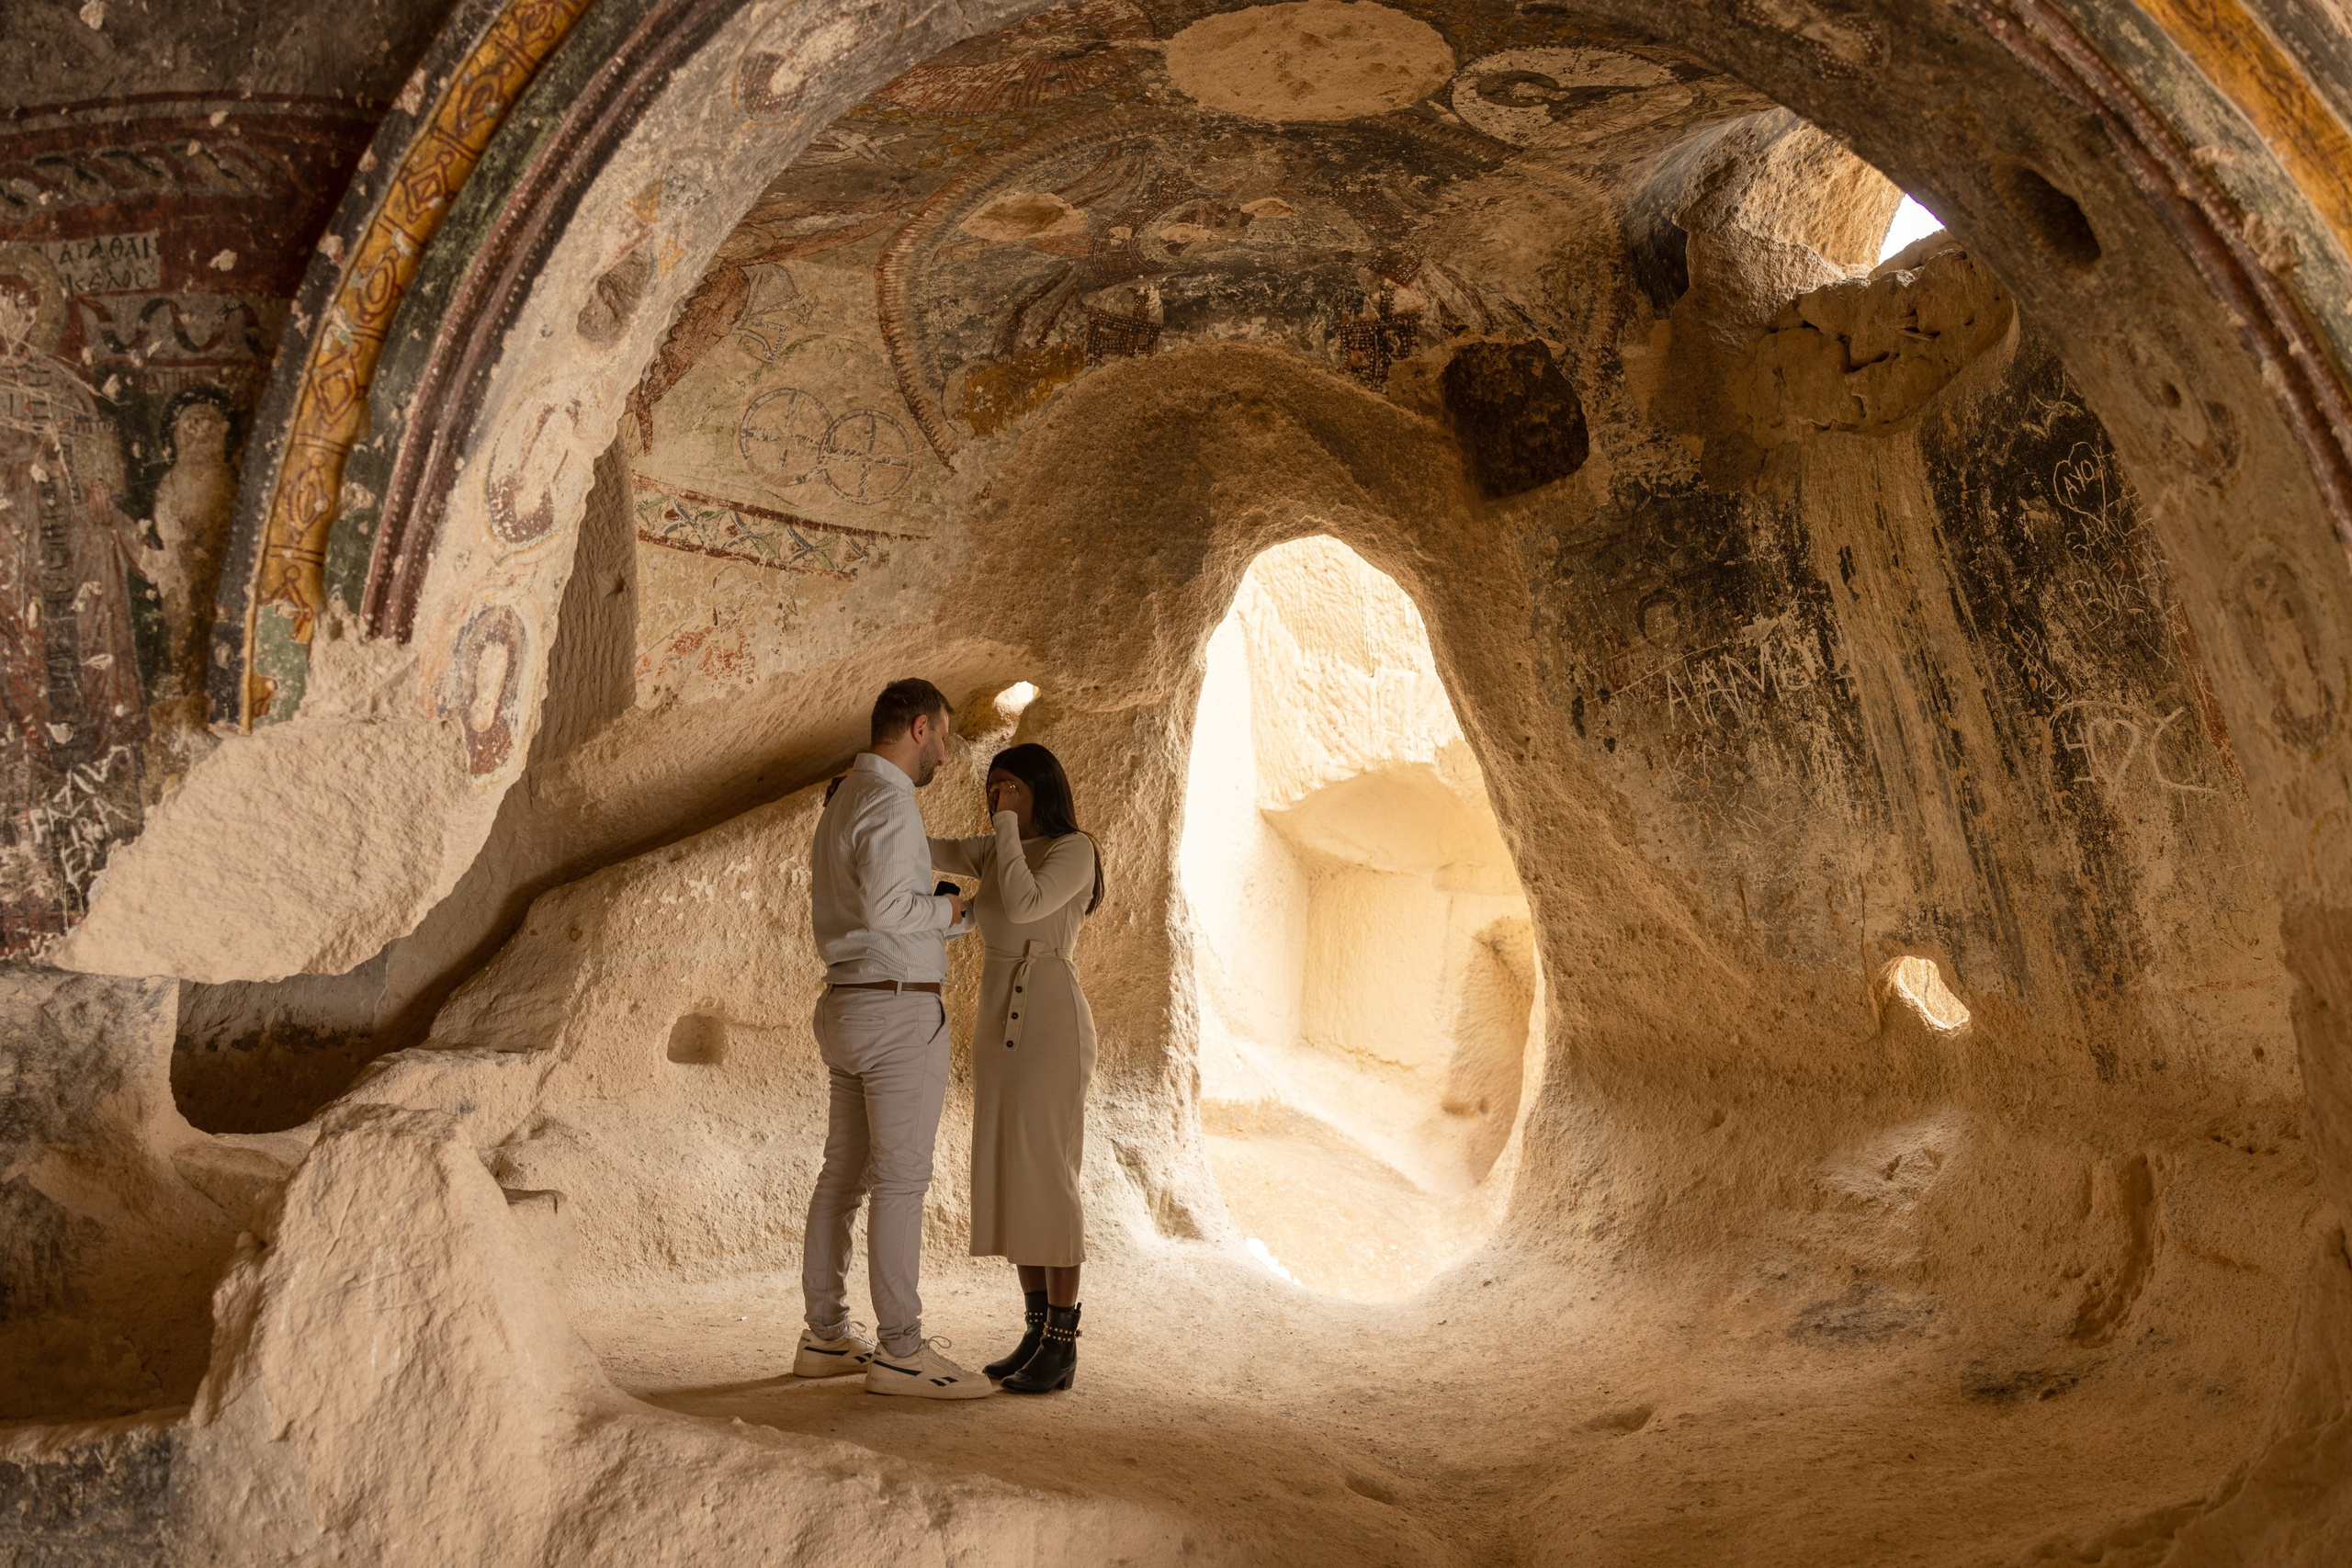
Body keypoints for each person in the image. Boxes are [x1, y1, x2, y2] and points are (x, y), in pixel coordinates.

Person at [794, 678, 992, 1399]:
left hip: (848, 1002)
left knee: (842, 1175)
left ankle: (825, 1334)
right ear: (918, 727)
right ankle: (902, 1349)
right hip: (895, 1009)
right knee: (900, 1181)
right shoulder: (890, 800)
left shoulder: (845, 796)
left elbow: (870, 902)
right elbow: (887, 906)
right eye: (943, 734)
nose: (945, 749)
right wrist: (953, 910)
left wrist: (940, 911)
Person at [928, 742, 1103, 1393]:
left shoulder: (1073, 848)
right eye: (992, 787)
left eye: (1010, 788)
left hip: (1051, 1018)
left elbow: (1027, 906)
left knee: (1049, 1173)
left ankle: (1063, 1342)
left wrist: (1003, 829)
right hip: (1000, 1015)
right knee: (1012, 1171)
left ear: (1039, 789)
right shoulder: (995, 847)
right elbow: (923, 849)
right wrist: (860, 806)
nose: (997, 797)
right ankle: (1034, 1331)